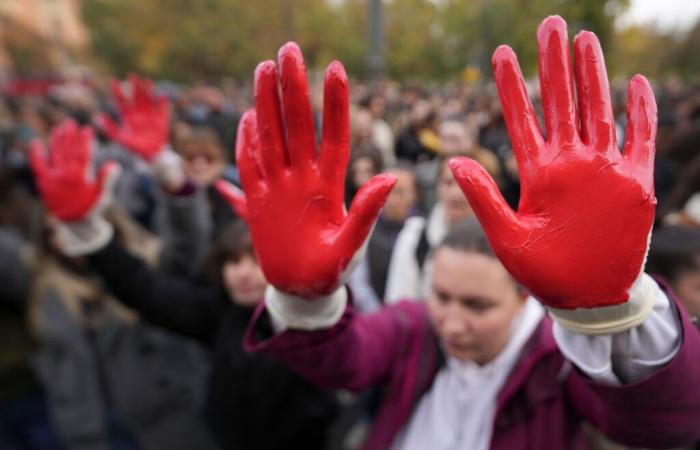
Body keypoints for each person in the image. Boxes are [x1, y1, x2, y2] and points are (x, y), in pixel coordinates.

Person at [222, 18, 700, 450]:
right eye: (443, 296)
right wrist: (303, 302)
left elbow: (668, 424)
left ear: (522, 301)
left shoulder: (556, 362)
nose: (451, 323)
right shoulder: (413, 329)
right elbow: (345, 361)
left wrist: (609, 315)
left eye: (477, 305)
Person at [30, 119, 339, 450]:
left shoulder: (309, 323)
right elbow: (145, 290)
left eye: (256, 262)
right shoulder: (219, 311)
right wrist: (91, 238)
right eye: (233, 262)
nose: (243, 274)